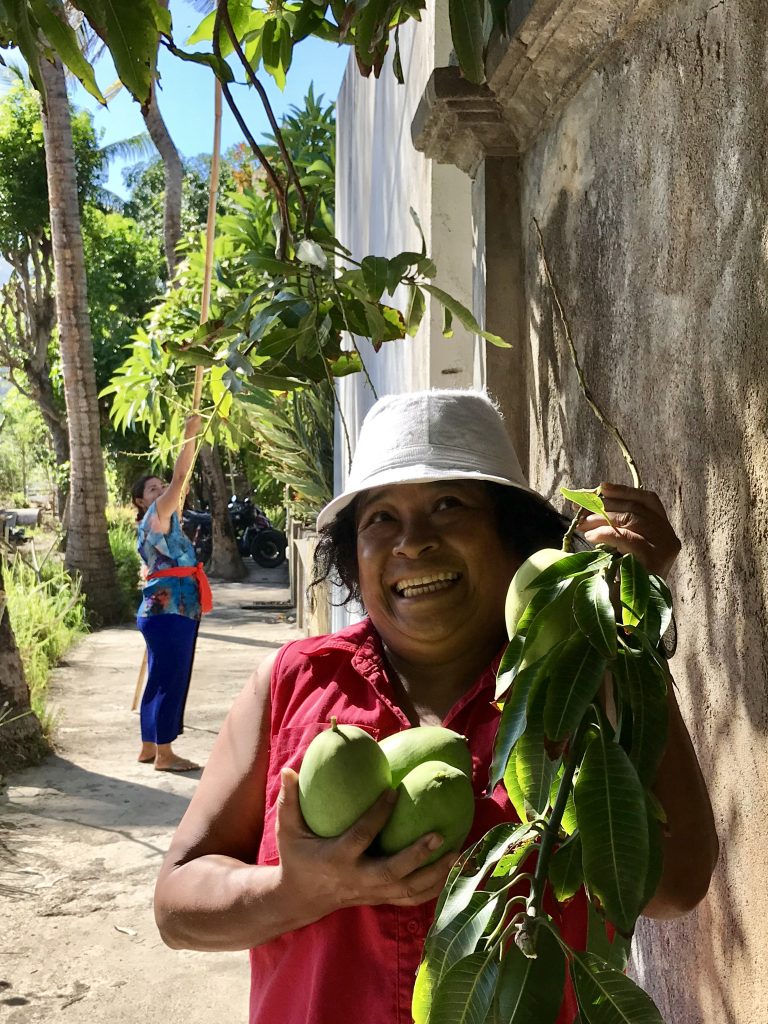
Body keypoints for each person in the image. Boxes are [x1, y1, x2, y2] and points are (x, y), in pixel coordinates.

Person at [153, 389, 718, 1023]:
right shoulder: (291, 683)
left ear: (513, 538)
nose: (412, 542)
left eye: (449, 505)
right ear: (352, 552)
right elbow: (177, 906)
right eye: (380, 518)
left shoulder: (578, 684)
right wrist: (293, 892)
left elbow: (676, 884)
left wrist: (625, 631)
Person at [131, 413, 212, 773]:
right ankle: (165, 754)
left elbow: (179, 483)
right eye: (153, 488)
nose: (161, 490)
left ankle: (149, 746)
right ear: (140, 501)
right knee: (170, 680)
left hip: (168, 611)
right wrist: (188, 433)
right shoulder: (156, 515)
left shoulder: (163, 522)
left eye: (159, 486)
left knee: (161, 677)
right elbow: (180, 478)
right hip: (170, 612)